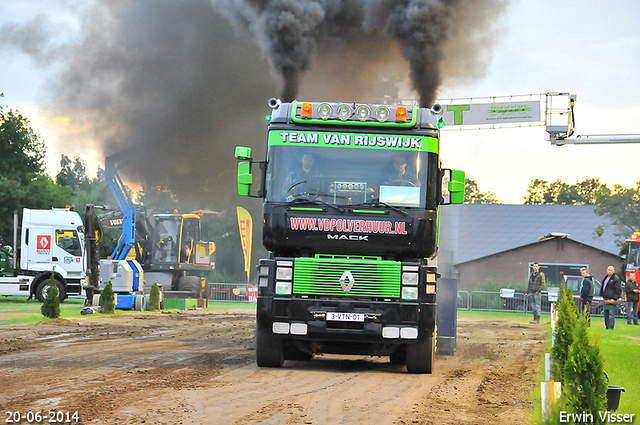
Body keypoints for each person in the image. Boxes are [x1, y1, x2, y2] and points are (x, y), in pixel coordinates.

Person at [600, 265, 623, 330]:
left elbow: (618, 290)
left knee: (611, 314)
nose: (609, 271)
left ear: (613, 271)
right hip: (605, 299)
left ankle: (610, 327)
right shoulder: (606, 278)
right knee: (605, 313)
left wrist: (614, 298)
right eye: (608, 270)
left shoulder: (616, 279)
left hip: (611, 299)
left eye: (611, 270)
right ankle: (607, 326)